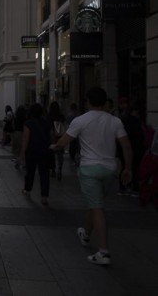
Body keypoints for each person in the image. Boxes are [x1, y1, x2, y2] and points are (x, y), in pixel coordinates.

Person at [51, 87, 132, 265]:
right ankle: (86, 234)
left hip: (89, 170)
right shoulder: (115, 121)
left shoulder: (81, 120)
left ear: (87, 102)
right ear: (105, 103)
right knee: (96, 204)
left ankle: (103, 251)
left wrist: (54, 146)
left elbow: (64, 141)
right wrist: (128, 168)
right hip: (109, 170)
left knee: (97, 208)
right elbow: (126, 146)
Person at [20, 103, 52, 205]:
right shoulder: (46, 122)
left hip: (32, 151)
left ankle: (27, 190)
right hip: (44, 150)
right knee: (44, 174)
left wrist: (22, 153)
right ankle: (44, 196)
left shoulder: (28, 123)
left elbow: (25, 139)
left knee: (30, 172)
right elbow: (50, 136)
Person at [47, 101, 66, 181]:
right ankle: (60, 169)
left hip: (51, 138)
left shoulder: (48, 116)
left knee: (51, 154)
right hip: (60, 138)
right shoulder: (61, 116)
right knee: (60, 154)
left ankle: (53, 170)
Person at [12, 105, 27, 170]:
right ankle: (24, 163)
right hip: (24, 133)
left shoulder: (15, 118)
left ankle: (18, 161)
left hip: (17, 133)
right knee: (23, 149)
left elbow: (13, 125)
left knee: (16, 150)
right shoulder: (25, 119)